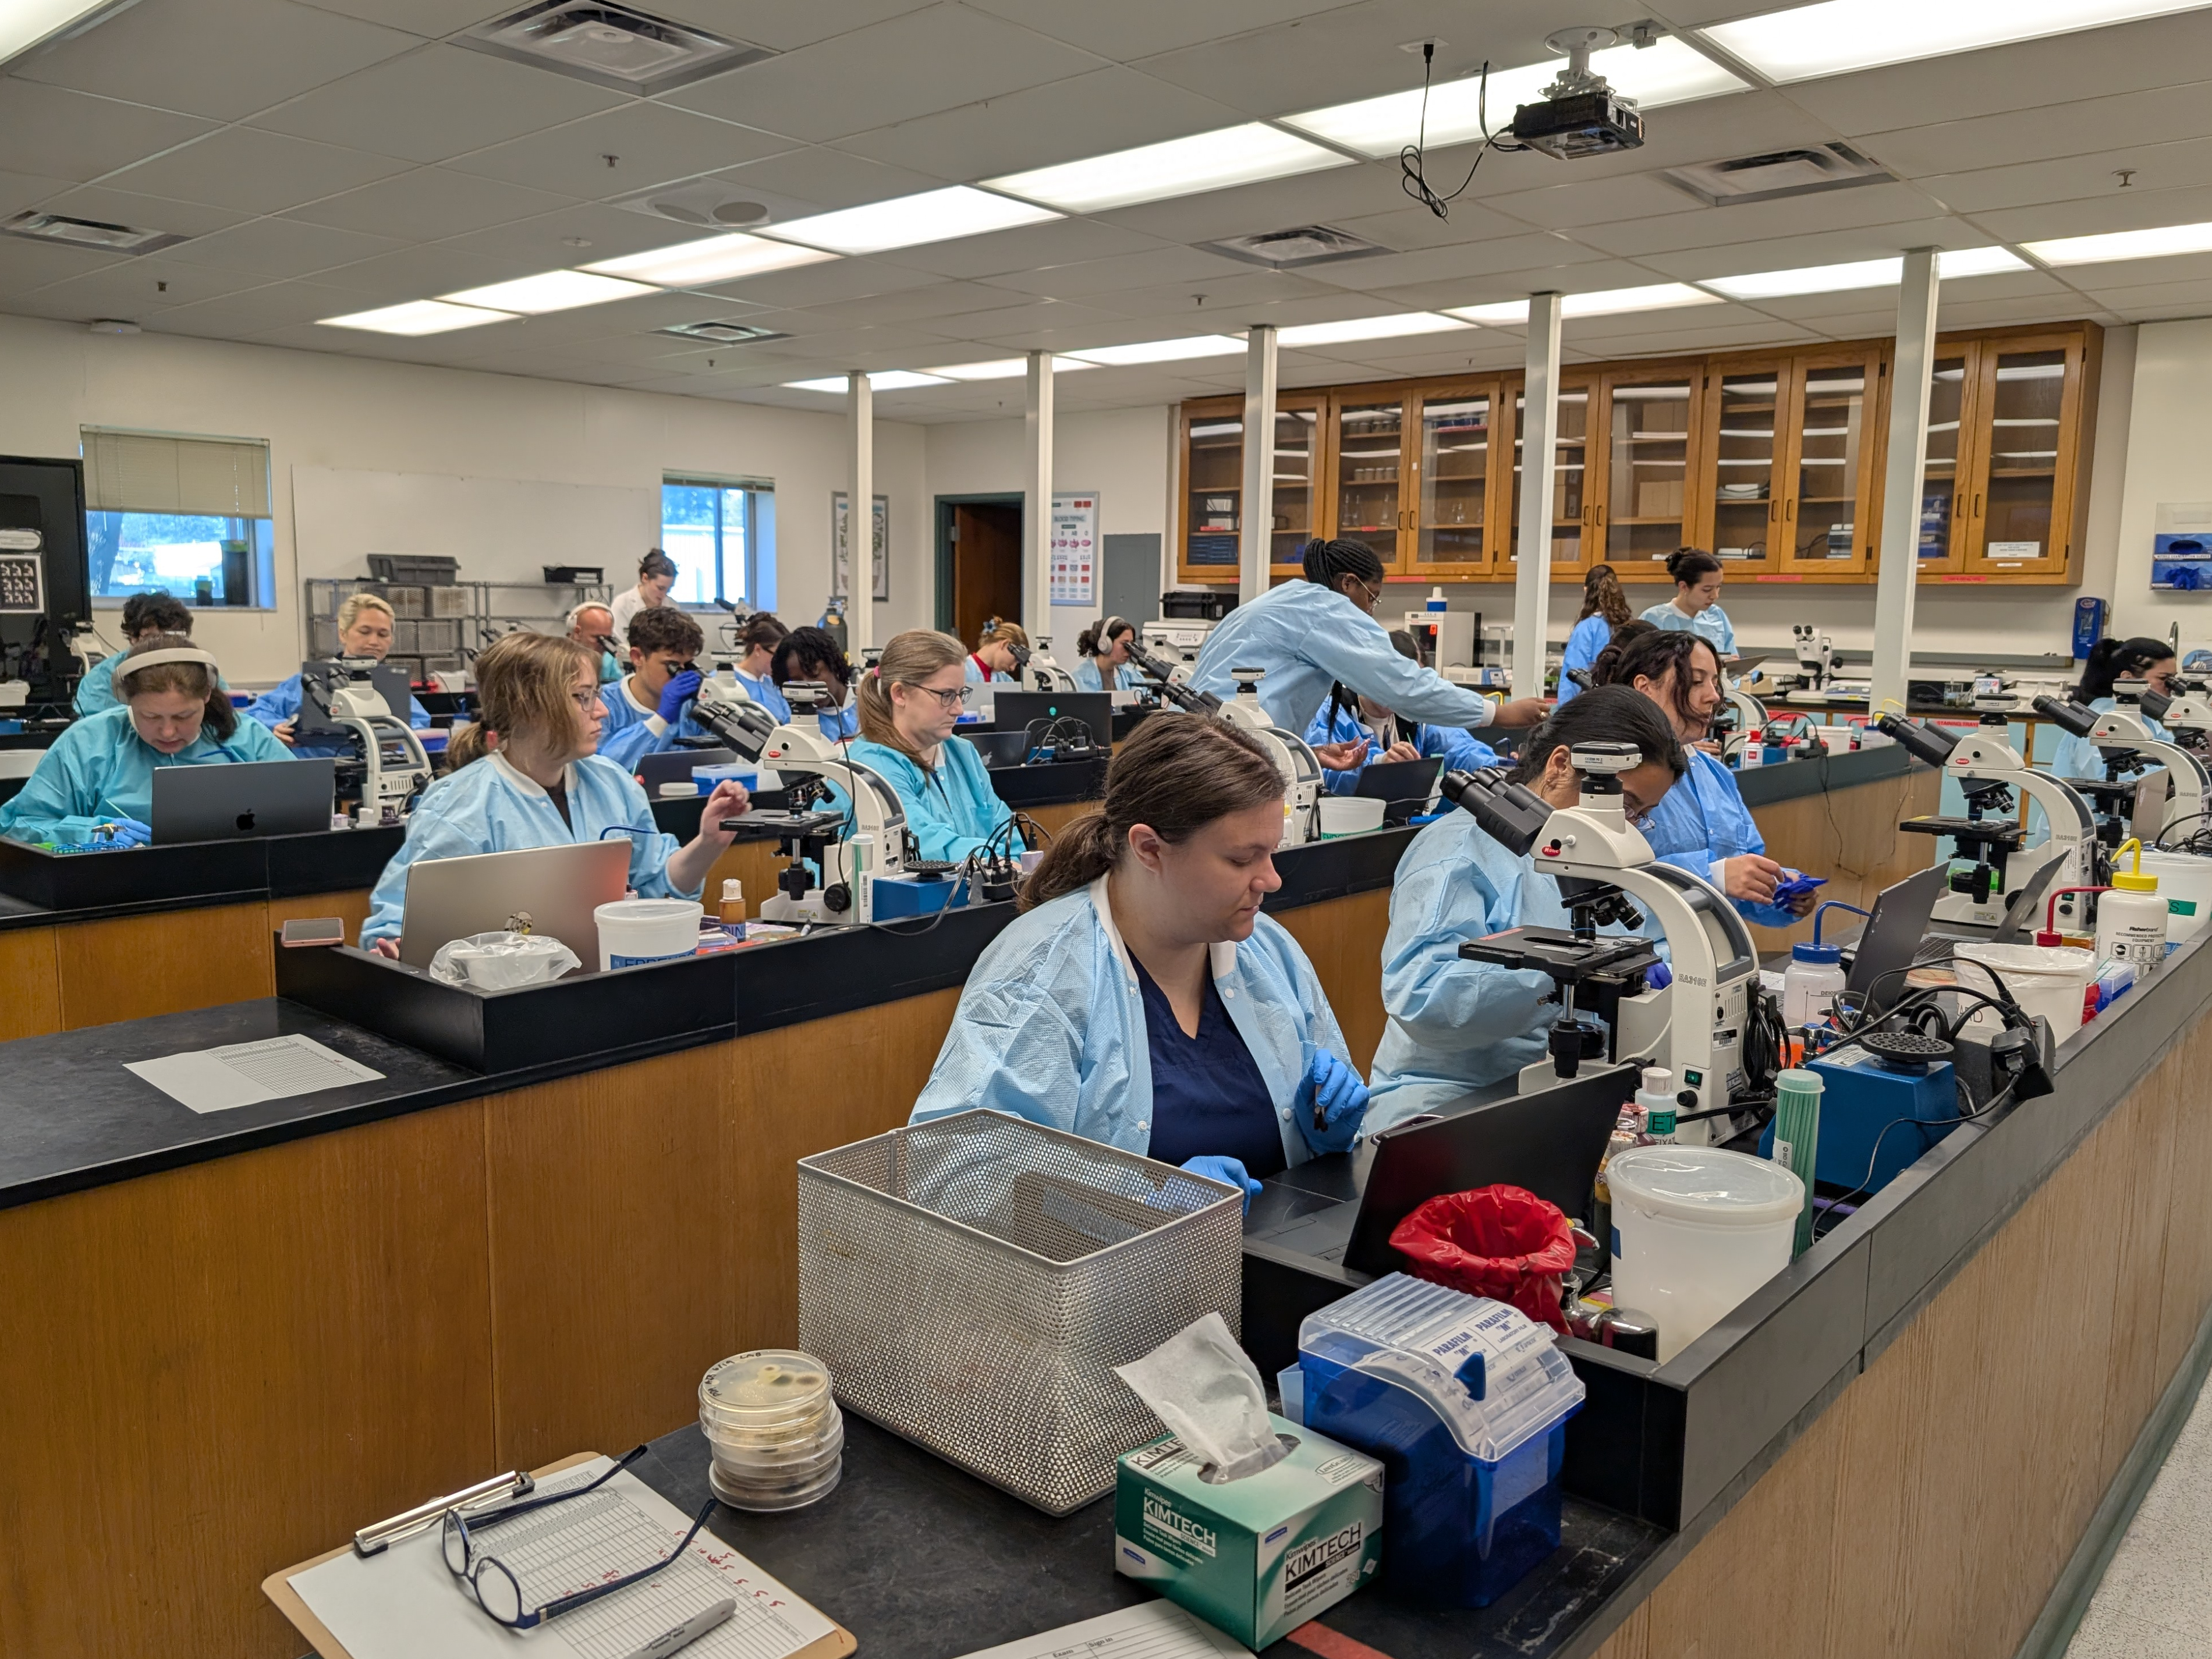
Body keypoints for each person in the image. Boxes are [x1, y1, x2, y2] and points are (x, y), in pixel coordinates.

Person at [910, 715, 1369, 1204]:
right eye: (1241, 860)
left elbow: (1329, 1127)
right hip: (1118, 1280)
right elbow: (953, 1177)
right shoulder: (1042, 972)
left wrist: (1328, 1134)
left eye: (1272, 853)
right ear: (1149, 848)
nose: (1271, 880)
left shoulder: (1269, 951)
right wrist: (1140, 1199)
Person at [1367, 687, 1686, 1129]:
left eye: (1642, 813)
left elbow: (1652, 939)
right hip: (1450, 1096)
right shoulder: (1458, 852)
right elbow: (1422, 998)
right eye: (1626, 804)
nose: (1627, 825)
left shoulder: (1602, 852)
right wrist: (1563, 976)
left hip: (1563, 1083)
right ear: (1560, 766)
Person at [360, 632, 750, 953]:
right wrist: (396, 951)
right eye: (582, 697)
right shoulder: (459, 806)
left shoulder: (611, 783)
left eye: (596, 695)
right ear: (530, 707)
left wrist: (707, 844)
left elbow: (656, 888)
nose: (602, 711)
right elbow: (399, 928)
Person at [1192, 537, 1546, 736]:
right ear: (1348, 584)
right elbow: (1400, 685)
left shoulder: (1279, 601)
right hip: (1228, 745)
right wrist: (1499, 714)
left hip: (1196, 739)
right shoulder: (1324, 608)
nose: (1371, 610)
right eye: (1372, 596)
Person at [1596, 628, 1809, 927]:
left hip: (1717, 956)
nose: (1714, 696)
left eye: (1714, 682)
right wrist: (1714, 875)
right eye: (1696, 682)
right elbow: (1601, 882)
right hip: (1643, 959)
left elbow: (1739, 878)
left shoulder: (1716, 775)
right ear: (1645, 688)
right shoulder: (1609, 773)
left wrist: (1779, 891)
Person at [2, 636, 290, 847]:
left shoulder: (246, 737)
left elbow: (303, 808)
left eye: (183, 716)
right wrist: (89, 831)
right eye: (150, 716)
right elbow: (17, 825)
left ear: (207, 696)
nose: (167, 732)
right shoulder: (88, 744)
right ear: (127, 701)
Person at [848, 630, 1016, 864]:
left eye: (960, 694)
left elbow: (1007, 832)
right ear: (900, 694)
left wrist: (1019, 860)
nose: (958, 709)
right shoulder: (874, 764)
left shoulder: (962, 753)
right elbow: (925, 844)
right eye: (946, 695)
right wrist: (1003, 862)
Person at [1304, 630, 1501, 796]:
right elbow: (1324, 775)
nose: (1402, 693)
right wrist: (1378, 764)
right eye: (1395, 682)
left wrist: (1500, 770)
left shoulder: (1415, 716)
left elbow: (1460, 748)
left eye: (1411, 685)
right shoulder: (1331, 714)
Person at [245, 592, 432, 754]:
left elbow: (420, 724)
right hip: (317, 776)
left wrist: (398, 738)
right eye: (365, 632)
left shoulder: (393, 685)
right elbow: (255, 713)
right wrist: (275, 728)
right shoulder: (308, 681)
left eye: (383, 634)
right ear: (343, 634)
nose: (374, 641)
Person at [597, 605, 715, 772]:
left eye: (687, 665)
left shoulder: (690, 707)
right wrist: (660, 719)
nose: (680, 676)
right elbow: (602, 769)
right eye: (671, 665)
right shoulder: (603, 705)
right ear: (637, 657)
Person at [75, 592, 226, 717]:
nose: (164, 646)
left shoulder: (200, 670)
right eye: (153, 638)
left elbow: (226, 715)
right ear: (133, 638)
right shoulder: (100, 681)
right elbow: (96, 733)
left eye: (173, 637)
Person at [2052, 636, 2179, 780]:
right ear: (2127, 678)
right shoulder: (2102, 719)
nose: (2171, 688)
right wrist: (2173, 775)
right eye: (2164, 679)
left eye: (2174, 679)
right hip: (2092, 802)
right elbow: (2104, 777)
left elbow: (2172, 749)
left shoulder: (2146, 717)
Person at [1640, 548, 1736, 660]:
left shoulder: (1718, 615)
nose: (1715, 596)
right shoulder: (1653, 619)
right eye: (1707, 589)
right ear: (1684, 587)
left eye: (1718, 587)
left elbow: (1731, 657)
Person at [1557, 564, 1632, 706]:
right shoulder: (1629, 626)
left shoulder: (1587, 628)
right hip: (1623, 708)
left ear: (1586, 591)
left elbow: (1573, 678)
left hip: (1591, 711)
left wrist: (1562, 718)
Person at [770, 625, 859, 743]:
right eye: (798, 682)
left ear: (832, 664)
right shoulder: (795, 729)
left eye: (814, 675)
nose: (809, 688)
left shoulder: (873, 708)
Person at [731, 614, 790, 722]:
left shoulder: (772, 685)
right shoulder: (726, 680)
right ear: (758, 650)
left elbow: (787, 720)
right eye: (777, 656)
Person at [1073, 615, 1146, 693]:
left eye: (1131, 644)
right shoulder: (1080, 678)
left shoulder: (1130, 672)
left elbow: (1148, 695)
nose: (1129, 650)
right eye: (1125, 644)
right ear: (1105, 644)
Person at [566, 602, 620, 685]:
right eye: (597, 638)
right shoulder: (558, 660)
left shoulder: (611, 662)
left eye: (608, 638)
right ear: (577, 633)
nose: (603, 645)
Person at [965, 619, 1029, 685]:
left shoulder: (1006, 682)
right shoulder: (961, 672)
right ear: (1005, 645)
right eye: (1015, 659)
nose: (1012, 668)